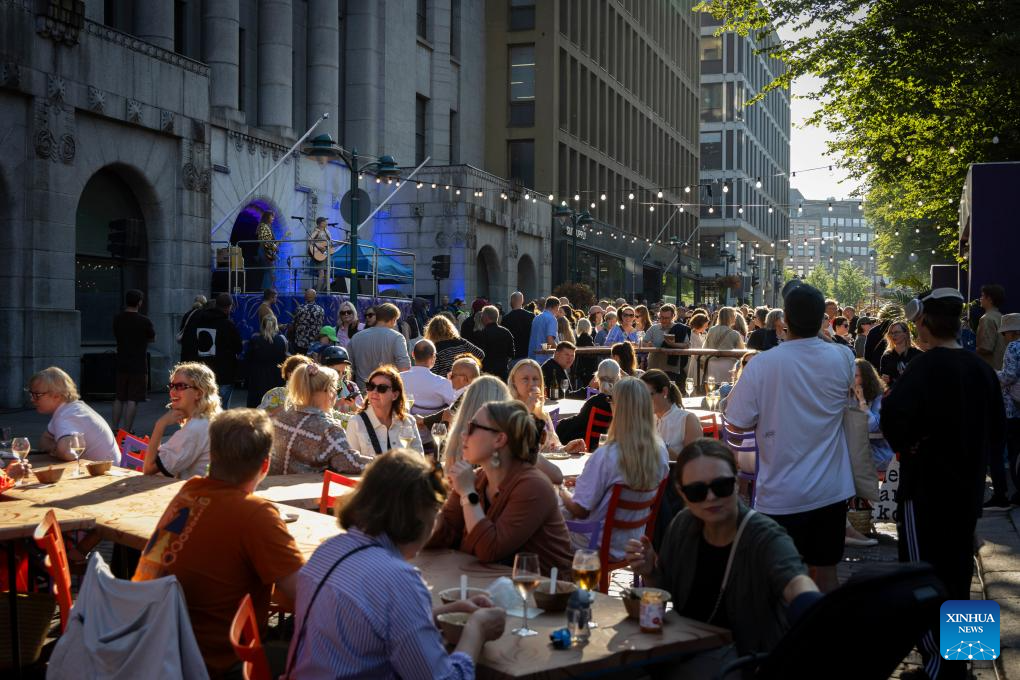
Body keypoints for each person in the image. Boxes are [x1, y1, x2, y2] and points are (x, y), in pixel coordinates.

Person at [286, 450, 506, 678]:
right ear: (420, 516)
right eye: (435, 512)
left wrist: (444, 613)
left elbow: (372, 625)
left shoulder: (329, 550)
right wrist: (476, 631)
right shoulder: (397, 578)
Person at [880, 288, 1005, 680]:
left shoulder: (924, 367)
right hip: (967, 491)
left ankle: (937, 669)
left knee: (922, 576)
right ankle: (964, 661)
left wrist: (911, 444)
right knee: (959, 573)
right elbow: (998, 429)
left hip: (926, 490)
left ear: (925, 324)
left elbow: (892, 418)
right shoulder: (980, 369)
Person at [133, 409, 305, 678]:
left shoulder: (189, 491)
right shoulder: (255, 514)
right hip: (213, 664)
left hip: (154, 647)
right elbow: (305, 592)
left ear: (212, 456)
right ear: (265, 466)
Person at [625, 439, 818, 670]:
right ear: (682, 494)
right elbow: (665, 590)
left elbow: (795, 582)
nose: (710, 497)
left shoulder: (763, 536)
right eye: (697, 491)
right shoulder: (683, 526)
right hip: (684, 648)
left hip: (742, 662)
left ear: (736, 482)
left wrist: (812, 604)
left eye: (721, 486)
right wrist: (650, 572)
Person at [724, 283, 855, 593]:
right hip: (831, 489)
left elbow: (736, 423)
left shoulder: (761, 365)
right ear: (823, 319)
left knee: (779, 581)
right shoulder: (843, 358)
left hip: (780, 492)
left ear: (784, 321)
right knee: (826, 575)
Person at [427, 400, 574, 574]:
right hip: (488, 583)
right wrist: (429, 502)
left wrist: (467, 493)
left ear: (499, 439)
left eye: (472, 427)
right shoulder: (476, 478)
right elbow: (444, 535)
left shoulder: (533, 486)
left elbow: (490, 550)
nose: (463, 434)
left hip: (543, 588)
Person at [559, 378, 669, 558]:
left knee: (542, 516)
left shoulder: (607, 455)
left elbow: (580, 509)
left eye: (610, 400)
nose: (609, 404)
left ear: (619, 408)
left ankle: (534, 571)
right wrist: (583, 484)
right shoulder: (660, 450)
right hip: (632, 543)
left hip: (593, 543)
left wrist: (560, 489)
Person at [270, 363, 370, 475]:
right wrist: (382, 462)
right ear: (327, 391)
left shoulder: (282, 417)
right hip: (305, 486)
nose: (335, 393)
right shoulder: (329, 429)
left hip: (273, 483)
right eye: (335, 388)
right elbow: (350, 463)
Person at [143, 362, 221, 478]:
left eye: (180, 386)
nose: (172, 392)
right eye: (171, 386)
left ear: (199, 393)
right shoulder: (209, 419)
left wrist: (160, 424)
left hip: (198, 489)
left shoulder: (194, 428)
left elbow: (149, 469)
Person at [29, 367, 119, 463]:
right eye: (31, 394)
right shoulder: (71, 408)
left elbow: (68, 452)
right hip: (106, 467)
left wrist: (54, 449)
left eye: (37, 395)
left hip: (108, 470)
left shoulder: (67, 416)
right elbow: (44, 441)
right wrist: (57, 448)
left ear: (57, 395)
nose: (32, 399)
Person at [508, 359, 585, 454]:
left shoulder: (542, 413)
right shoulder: (507, 411)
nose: (531, 383)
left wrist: (565, 449)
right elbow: (511, 448)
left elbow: (551, 447)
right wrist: (527, 410)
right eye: (525, 379)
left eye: (535, 379)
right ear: (514, 382)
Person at [345, 365, 424, 457]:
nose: (374, 391)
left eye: (382, 388)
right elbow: (351, 461)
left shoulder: (408, 421)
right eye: (371, 386)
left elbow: (419, 458)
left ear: (395, 395)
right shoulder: (356, 422)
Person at [182, 293, 243, 408]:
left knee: (201, 407)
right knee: (221, 408)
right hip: (223, 374)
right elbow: (238, 348)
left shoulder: (196, 321)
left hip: (201, 372)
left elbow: (187, 343)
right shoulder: (227, 325)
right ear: (229, 307)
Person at [112, 288, 155, 433]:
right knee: (133, 399)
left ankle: (114, 428)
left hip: (121, 362)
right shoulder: (145, 321)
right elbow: (152, 338)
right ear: (139, 302)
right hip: (138, 364)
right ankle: (126, 431)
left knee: (119, 397)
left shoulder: (118, 319)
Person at [555, 359, 620, 448]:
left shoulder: (594, 402)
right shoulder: (623, 402)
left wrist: (559, 424)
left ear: (597, 378)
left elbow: (577, 422)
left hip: (592, 448)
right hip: (615, 449)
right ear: (618, 378)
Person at [641, 369, 701, 459]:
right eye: (641, 396)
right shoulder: (645, 419)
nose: (643, 400)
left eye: (647, 395)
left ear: (664, 392)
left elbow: (694, 462)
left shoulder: (688, 420)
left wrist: (660, 446)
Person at [348, 303, 412, 387]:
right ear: (393, 319)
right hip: (387, 389)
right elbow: (404, 367)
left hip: (362, 389)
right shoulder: (397, 337)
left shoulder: (356, 337)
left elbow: (348, 368)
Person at [994, 313, 1020, 506]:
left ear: (1012, 332)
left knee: (1014, 450)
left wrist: (994, 374)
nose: (1004, 337)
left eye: (1005, 333)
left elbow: (1009, 376)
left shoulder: (1013, 347)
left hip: (1013, 406)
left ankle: (1017, 489)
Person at [852, 359, 894, 471]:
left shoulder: (878, 397)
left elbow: (872, 426)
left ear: (865, 378)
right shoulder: (848, 395)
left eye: (856, 376)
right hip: (856, 448)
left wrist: (862, 401)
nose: (851, 379)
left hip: (877, 451)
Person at [402, 340, 458, 415]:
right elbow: (456, 406)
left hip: (403, 421)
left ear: (413, 354)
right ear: (433, 357)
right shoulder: (443, 383)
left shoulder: (398, 378)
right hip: (433, 422)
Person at [244, 314, 289, 408]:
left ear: (262, 325)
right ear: (276, 325)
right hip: (276, 377)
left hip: (257, 378)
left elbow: (247, 359)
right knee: (275, 407)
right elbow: (286, 359)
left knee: (256, 407)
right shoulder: (282, 340)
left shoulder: (255, 340)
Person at [423, 314, 485, 378]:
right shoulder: (461, 341)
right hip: (467, 379)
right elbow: (480, 354)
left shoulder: (435, 350)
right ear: (450, 328)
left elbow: (432, 372)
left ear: (431, 332)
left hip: (448, 382)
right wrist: (468, 362)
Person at [645, 303, 692, 382]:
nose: (663, 320)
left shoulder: (680, 329)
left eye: (666, 318)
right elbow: (644, 342)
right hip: (654, 366)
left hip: (671, 369)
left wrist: (673, 344)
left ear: (673, 316)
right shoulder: (653, 328)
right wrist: (649, 345)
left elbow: (686, 345)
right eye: (661, 317)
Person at [702, 307, 745, 386]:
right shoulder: (735, 334)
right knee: (726, 390)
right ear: (731, 317)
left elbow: (705, 347)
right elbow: (742, 351)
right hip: (728, 365)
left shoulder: (711, 330)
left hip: (712, 363)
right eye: (734, 315)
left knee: (712, 389)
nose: (735, 317)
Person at [474, 305, 515, 380]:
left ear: (486, 317)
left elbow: (479, 355)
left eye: (482, 316)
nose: (481, 318)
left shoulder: (481, 334)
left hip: (487, 373)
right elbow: (511, 354)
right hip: (503, 373)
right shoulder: (506, 332)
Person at [879, 321, 921, 386]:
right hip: (894, 391)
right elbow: (883, 380)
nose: (893, 335)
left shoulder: (917, 355)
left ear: (905, 334)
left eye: (896, 332)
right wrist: (883, 379)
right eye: (891, 333)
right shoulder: (886, 356)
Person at [977, 283, 1007, 370]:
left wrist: (970, 350)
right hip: (1002, 366)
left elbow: (986, 348)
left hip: (991, 368)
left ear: (989, 299)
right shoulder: (1001, 316)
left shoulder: (986, 318)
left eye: (982, 296)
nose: (980, 298)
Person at [501, 291, 533, 366]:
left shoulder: (506, 319)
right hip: (528, 356)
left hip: (512, 357)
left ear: (511, 302)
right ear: (522, 301)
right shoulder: (531, 317)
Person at [290, 288, 326, 356]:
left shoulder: (300, 309)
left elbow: (293, 325)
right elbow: (321, 325)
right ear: (315, 297)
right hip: (314, 344)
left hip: (300, 343)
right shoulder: (321, 310)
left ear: (305, 296)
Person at [527, 296, 561, 361]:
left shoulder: (536, 318)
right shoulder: (552, 319)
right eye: (558, 308)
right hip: (545, 359)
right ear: (556, 307)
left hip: (532, 357)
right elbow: (550, 340)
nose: (558, 310)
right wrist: (560, 350)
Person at [253, 210, 279, 290]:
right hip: (264, 250)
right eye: (272, 216)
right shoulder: (263, 226)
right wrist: (274, 247)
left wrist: (274, 246)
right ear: (267, 217)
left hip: (266, 250)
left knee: (269, 271)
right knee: (269, 270)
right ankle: (267, 290)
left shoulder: (266, 226)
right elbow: (265, 241)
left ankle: (268, 289)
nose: (273, 218)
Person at [308, 216, 332, 290]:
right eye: (324, 222)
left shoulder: (327, 231)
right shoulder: (317, 231)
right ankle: (317, 292)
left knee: (327, 275)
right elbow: (310, 240)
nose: (326, 223)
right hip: (319, 254)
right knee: (321, 274)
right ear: (320, 223)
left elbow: (330, 243)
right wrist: (319, 246)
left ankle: (323, 291)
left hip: (326, 253)